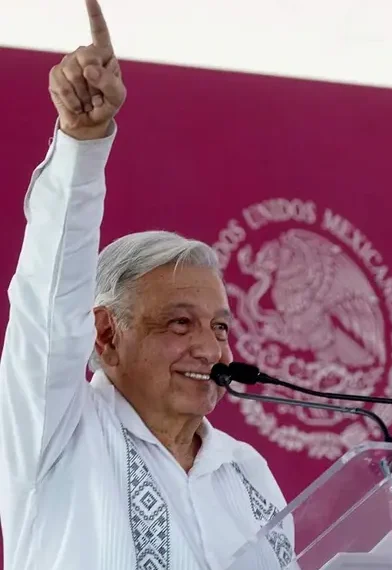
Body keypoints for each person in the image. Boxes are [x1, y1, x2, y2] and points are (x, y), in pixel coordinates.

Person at [0, 2, 294, 569]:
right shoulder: (57, 434)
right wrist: (83, 143)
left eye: (220, 328)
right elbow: (48, 305)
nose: (210, 349)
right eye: (179, 323)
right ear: (107, 334)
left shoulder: (247, 471)